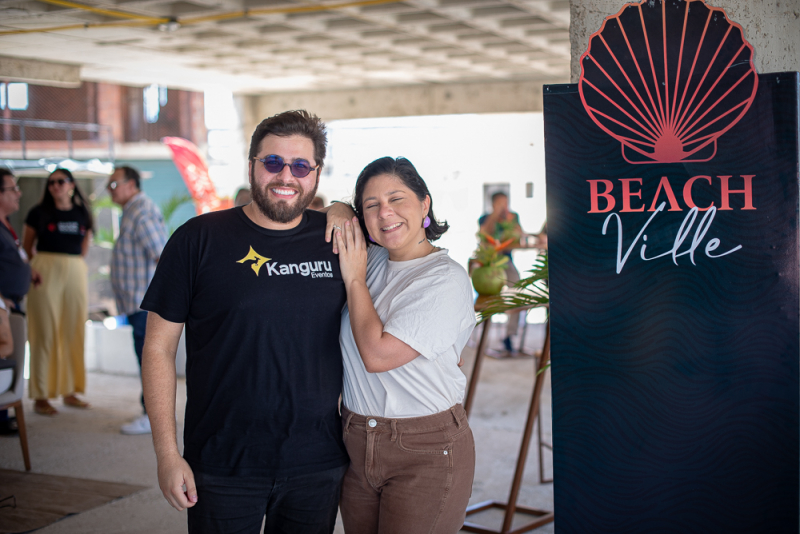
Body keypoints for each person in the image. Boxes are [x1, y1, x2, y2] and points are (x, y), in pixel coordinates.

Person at [140, 110, 354, 534]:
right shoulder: (197, 239)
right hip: (221, 462)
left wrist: (344, 207)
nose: (286, 176)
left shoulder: (338, 238)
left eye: (300, 166)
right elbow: (158, 348)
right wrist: (167, 454)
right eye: (273, 162)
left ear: (316, 172)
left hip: (317, 462)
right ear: (252, 164)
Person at [334, 156, 477, 534]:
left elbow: (377, 355)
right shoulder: (372, 258)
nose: (385, 212)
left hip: (424, 449)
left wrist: (354, 280)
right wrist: (338, 209)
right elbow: (332, 212)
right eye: (371, 205)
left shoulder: (445, 278)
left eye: (397, 199)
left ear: (425, 204)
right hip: (355, 441)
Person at [22, 168, 93, 416]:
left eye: (61, 181)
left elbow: (84, 246)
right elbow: (27, 247)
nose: (55, 185)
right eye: (51, 182)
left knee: (74, 330)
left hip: (74, 270)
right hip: (45, 271)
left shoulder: (83, 213)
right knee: (44, 331)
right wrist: (34, 269)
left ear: (72, 185)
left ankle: (70, 391)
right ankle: (41, 395)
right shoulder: (37, 212)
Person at [107, 165, 169, 435]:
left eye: (114, 184)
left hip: (145, 303)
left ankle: (152, 417)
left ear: (131, 184)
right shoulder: (132, 210)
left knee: (149, 361)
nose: (110, 190)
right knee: (145, 359)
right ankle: (151, 414)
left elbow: (162, 255)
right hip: (136, 302)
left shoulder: (141, 211)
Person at [0, 168, 37, 433]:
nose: (19, 193)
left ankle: (3, 415)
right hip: (4, 306)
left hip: (14, 302)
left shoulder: (7, 224)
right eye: (13, 189)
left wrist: (28, 271)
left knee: (12, 356)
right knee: (6, 351)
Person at [478, 191, 524, 353]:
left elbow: (519, 238)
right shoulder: (485, 218)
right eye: (500, 203)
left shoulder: (513, 217)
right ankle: (483, 334)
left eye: (505, 202)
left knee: (517, 291)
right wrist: (495, 215)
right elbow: (483, 234)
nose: (504, 206)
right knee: (487, 295)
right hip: (488, 262)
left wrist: (511, 224)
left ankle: (510, 335)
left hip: (506, 261)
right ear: (493, 204)